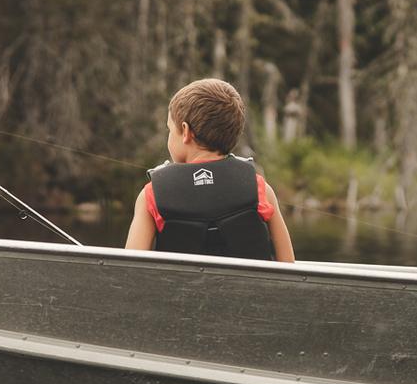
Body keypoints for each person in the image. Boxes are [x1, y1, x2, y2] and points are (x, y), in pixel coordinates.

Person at [125, 78, 295, 262]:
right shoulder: (260, 189)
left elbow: (131, 271)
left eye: (169, 130)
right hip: (251, 292)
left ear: (185, 131)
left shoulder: (151, 195)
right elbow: (288, 265)